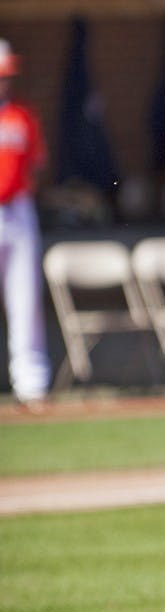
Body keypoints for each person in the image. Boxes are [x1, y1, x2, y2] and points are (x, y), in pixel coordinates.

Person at [0, 39, 50, 411]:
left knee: (24, 299)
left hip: (17, 210)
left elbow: (37, 164)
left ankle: (31, 385)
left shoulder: (22, 115)